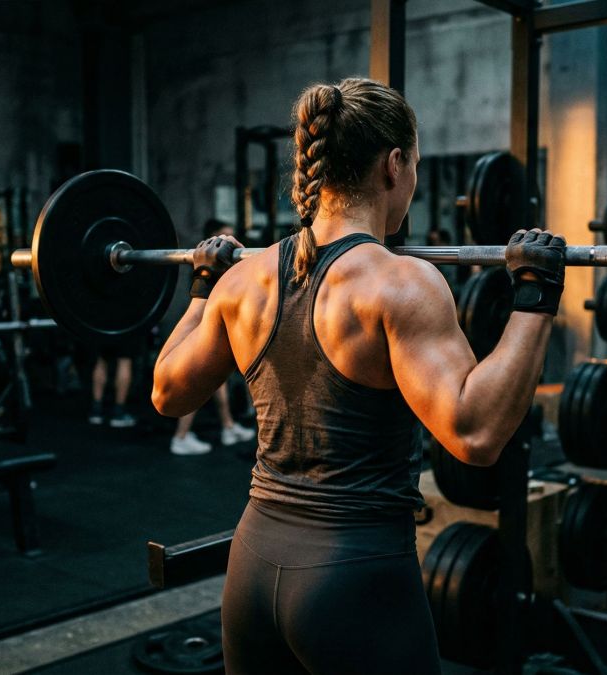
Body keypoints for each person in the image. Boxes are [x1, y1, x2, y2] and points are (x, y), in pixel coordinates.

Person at [151, 78, 564, 673]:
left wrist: (200, 288)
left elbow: (167, 392)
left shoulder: (243, 279)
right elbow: (474, 434)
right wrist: (535, 296)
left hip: (251, 568)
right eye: (415, 165)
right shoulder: (400, 283)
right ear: (394, 165)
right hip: (356, 581)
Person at [169, 218, 257, 456]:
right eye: (224, 238)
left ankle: (228, 427)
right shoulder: (206, 268)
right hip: (205, 329)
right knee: (196, 383)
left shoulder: (223, 266)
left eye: (232, 237)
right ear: (211, 241)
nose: (230, 244)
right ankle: (181, 436)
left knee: (217, 383)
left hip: (219, 327)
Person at [87, 344, 138, 428]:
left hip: (103, 331)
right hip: (124, 332)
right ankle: (119, 413)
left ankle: (96, 411)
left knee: (101, 360)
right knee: (124, 361)